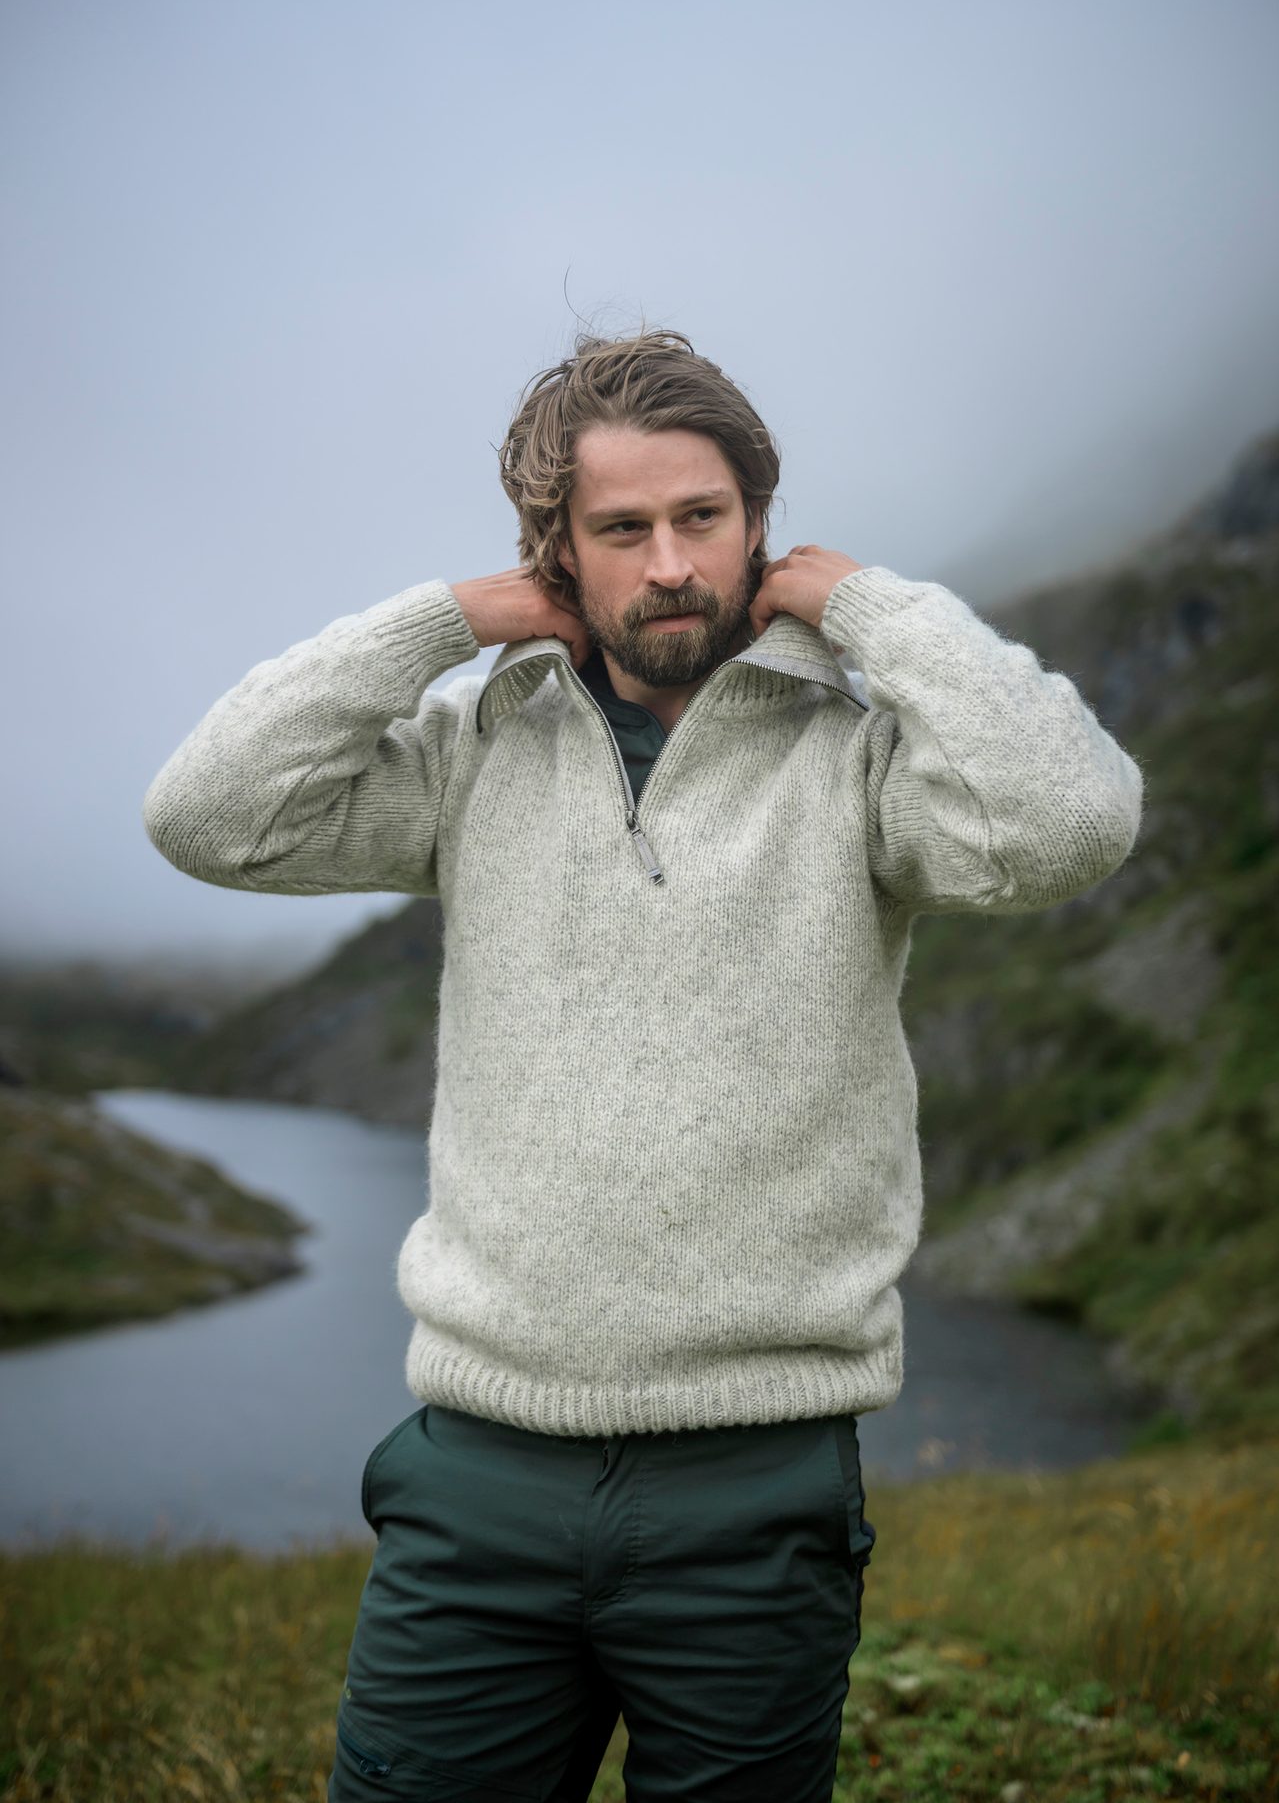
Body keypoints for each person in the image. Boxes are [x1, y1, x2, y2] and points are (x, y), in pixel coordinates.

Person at [142, 328, 1145, 1802]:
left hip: (757, 1485)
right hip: (478, 1475)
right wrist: (447, 622)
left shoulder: (860, 766)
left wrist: (867, 607)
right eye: (623, 530)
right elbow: (207, 816)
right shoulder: (471, 755)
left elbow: (1070, 824)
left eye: (705, 518)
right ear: (561, 556)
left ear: (756, 523)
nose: (671, 562)